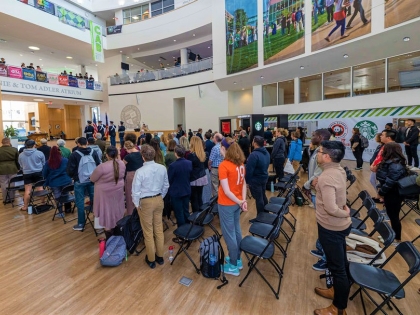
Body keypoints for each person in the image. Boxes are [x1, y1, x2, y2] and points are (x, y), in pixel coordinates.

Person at [313, 141, 351, 315]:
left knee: (338, 268)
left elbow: (332, 209)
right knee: (341, 263)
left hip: (332, 227)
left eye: (320, 152)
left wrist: (346, 213)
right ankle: (335, 290)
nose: (318, 154)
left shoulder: (326, 177)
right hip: (337, 227)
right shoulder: (338, 170)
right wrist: (318, 184)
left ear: (327, 157)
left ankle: (338, 307)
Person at [132, 145, 169, 269]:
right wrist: (160, 197)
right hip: (158, 199)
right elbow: (166, 185)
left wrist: (137, 205)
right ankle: (160, 257)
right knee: (158, 229)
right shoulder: (162, 168)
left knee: (148, 232)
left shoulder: (140, 171)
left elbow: (135, 191)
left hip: (145, 202)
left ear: (143, 157)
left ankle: (151, 259)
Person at [218, 137, 247, 276]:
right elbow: (243, 184)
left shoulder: (224, 165)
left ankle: (233, 265)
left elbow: (227, 191)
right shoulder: (240, 163)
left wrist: (241, 201)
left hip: (227, 204)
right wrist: (242, 200)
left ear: (224, 149)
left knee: (229, 235)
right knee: (236, 231)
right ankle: (238, 259)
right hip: (236, 203)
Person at [91, 146, 125, 240]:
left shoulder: (102, 167)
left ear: (106, 155)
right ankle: (117, 235)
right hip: (118, 191)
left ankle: (110, 239)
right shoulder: (121, 163)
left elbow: (92, 178)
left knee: (106, 213)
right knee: (116, 210)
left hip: (104, 194)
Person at [67, 137, 101, 231]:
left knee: (80, 202)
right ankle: (97, 222)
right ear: (87, 143)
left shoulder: (74, 154)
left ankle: (81, 223)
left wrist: (72, 176)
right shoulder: (93, 152)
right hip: (92, 179)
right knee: (95, 200)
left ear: (78, 144)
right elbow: (98, 165)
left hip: (79, 180)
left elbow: (70, 169)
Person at [377, 143, 408, 246]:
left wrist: (381, 192)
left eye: (384, 149)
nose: (382, 151)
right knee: (391, 215)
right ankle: (392, 235)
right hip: (390, 193)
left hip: (394, 194)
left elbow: (390, 181)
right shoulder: (391, 162)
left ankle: (397, 239)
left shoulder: (395, 165)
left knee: (394, 216)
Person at [42, 146, 72, 217]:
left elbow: (44, 174)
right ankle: (68, 209)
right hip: (66, 180)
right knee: (66, 194)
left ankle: (61, 212)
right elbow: (70, 170)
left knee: (58, 197)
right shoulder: (65, 160)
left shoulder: (48, 162)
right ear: (60, 152)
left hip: (54, 182)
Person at [168, 145, 192, 230]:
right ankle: (188, 228)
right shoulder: (189, 163)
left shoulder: (173, 166)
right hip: (186, 189)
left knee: (179, 212)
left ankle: (182, 231)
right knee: (186, 210)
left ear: (175, 153)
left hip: (176, 192)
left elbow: (169, 179)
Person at [18, 140, 45, 212]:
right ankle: (43, 203)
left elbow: (20, 165)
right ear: (34, 145)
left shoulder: (21, 155)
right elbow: (43, 163)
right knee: (40, 188)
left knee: (27, 190)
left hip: (27, 173)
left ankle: (25, 206)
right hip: (38, 172)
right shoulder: (39, 153)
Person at [245, 136, 270, 216]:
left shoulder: (254, 155)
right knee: (263, 195)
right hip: (264, 177)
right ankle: (266, 213)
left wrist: (247, 182)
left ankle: (260, 218)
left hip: (256, 179)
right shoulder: (266, 152)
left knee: (259, 198)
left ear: (255, 143)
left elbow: (249, 170)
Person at [188, 136, 208, 212]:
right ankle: (201, 216)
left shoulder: (191, 156)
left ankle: (196, 218)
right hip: (202, 177)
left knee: (194, 199)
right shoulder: (203, 154)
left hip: (194, 179)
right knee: (199, 198)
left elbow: (190, 168)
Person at [123, 140, 143, 215]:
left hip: (131, 176)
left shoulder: (128, 156)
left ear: (127, 148)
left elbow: (121, 165)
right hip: (141, 175)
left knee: (130, 195)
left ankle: (131, 214)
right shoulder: (141, 153)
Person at [0, 138, 20, 204]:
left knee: (3, 184)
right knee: (12, 183)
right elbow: (17, 160)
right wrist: (18, 168)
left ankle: (5, 199)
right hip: (12, 168)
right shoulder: (14, 149)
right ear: (9, 142)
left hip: (1, 169)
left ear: (2, 142)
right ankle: (11, 198)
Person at [369, 133, 383, 203]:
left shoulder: (383, 147)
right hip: (374, 165)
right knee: (373, 180)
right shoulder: (379, 146)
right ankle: (379, 195)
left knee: (374, 181)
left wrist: (375, 165)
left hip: (377, 167)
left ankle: (380, 196)